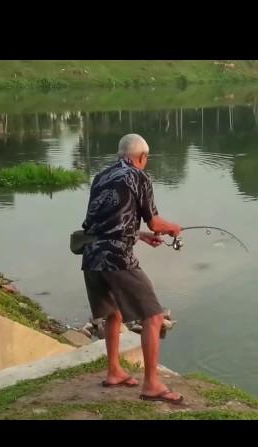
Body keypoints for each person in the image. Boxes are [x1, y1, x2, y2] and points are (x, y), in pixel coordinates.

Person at [81, 133, 184, 404]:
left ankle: (114, 371)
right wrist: (172, 227)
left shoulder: (101, 176)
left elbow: (104, 222)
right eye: (146, 159)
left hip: (91, 257)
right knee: (153, 316)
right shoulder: (139, 177)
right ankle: (152, 384)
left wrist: (137, 235)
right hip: (117, 259)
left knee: (113, 313)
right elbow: (156, 222)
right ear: (141, 157)